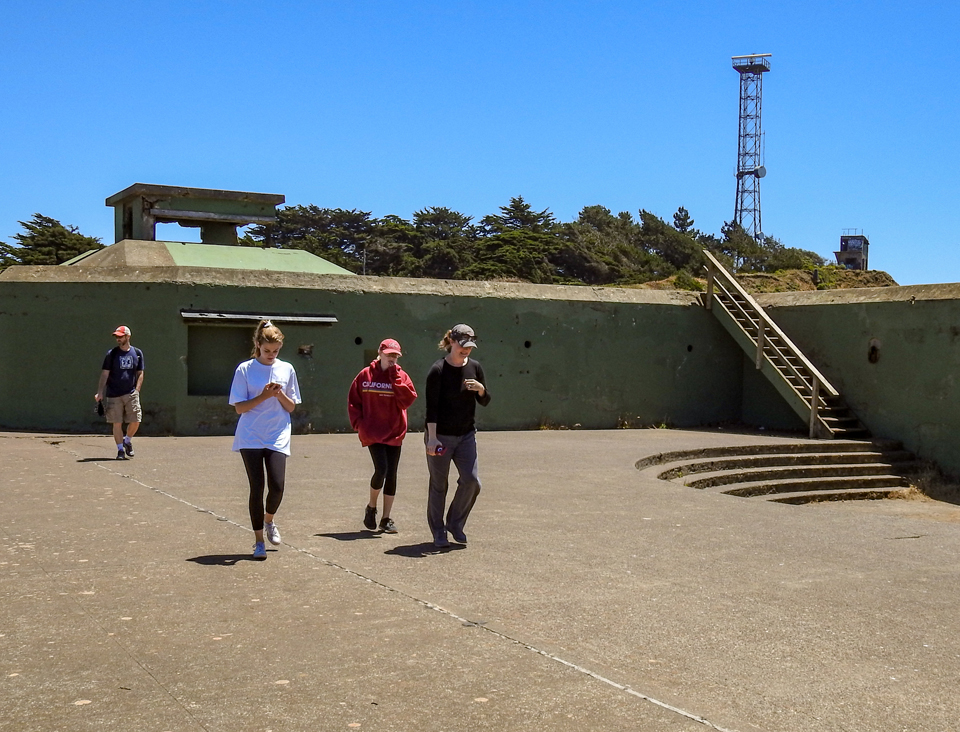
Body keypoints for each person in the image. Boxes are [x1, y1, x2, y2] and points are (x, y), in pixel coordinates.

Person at [228, 321, 301, 561]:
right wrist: (264, 395)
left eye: (276, 351)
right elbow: (240, 408)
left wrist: (278, 394)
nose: (271, 355)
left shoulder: (287, 369)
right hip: (251, 434)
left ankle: (269, 520)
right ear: (258, 345)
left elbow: (291, 407)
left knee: (277, 485)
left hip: (277, 433)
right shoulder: (245, 369)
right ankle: (259, 541)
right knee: (257, 487)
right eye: (267, 350)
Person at [424, 324, 491, 548]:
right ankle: (438, 531)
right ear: (451, 341)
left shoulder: (475, 367)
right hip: (440, 436)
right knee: (439, 485)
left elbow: (485, 400)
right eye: (463, 345)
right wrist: (432, 438)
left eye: (470, 346)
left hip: (466, 435)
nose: (466, 350)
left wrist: (481, 389)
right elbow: (431, 408)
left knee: (471, 481)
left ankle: (455, 523)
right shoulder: (438, 370)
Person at [348, 338, 418, 534]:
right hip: (373, 432)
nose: (392, 359)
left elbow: (407, 401)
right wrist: (360, 425)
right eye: (388, 355)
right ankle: (371, 507)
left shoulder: (402, 376)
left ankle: (386, 519)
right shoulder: (365, 375)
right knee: (382, 470)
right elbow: (354, 401)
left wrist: (395, 379)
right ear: (380, 353)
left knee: (392, 473)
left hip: (394, 432)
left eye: (395, 355)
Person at [94, 325, 144, 460]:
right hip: (114, 394)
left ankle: (127, 440)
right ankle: (120, 450)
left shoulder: (137, 353)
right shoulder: (112, 354)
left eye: (120, 336)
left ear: (128, 336)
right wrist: (100, 392)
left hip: (131, 393)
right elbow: (105, 374)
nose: (118, 339)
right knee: (117, 422)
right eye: (116, 336)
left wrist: (137, 390)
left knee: (136, 420)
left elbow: (140, 373)